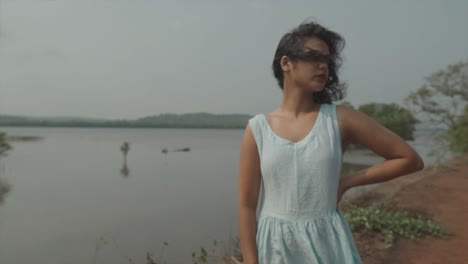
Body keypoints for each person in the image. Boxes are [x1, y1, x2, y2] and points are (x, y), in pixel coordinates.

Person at [237, 21, 424, 264]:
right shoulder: (258, 129)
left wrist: (346, 183)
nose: (323, 66)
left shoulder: (339, 119)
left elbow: (409, 159)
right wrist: (251, 261)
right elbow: (246, 206)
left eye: (327, 60)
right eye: (313, 57)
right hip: (275, 247)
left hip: (327, 245)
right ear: (286, 63)